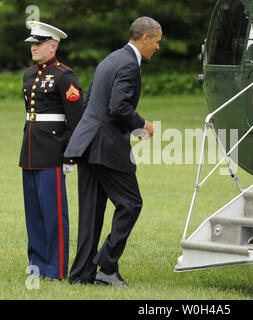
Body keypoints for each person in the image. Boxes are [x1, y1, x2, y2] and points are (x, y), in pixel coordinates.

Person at [65, 17, 162, 287]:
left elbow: (90, 102)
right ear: (144, 38)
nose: (157, 47)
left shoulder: (110, 59)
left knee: (91, 213)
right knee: (131, 204)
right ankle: (106, 267)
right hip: (105, 148)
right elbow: (118, 106)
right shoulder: (130, 64)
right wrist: (142, 124)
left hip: (88, 145)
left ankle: (81, 275)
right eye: (156, 42)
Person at [20, 21, 84, 280]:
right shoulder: (28, 74)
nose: (33, 47)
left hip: (54, 151)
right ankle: (36, 264)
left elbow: (76, 119)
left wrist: (71, 154)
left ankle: (55, 269)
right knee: (33, 212)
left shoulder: (64, 75)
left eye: (39, 43)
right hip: (31, 150)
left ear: (53, 45)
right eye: (32, 43)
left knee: (54, 214)